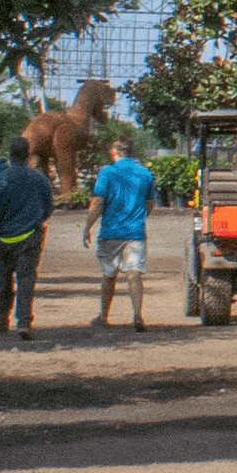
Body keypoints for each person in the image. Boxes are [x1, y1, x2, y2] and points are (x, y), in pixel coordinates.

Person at [0, 135, 53, 340]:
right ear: (28, 155)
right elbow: (48, 207)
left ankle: (0, 320)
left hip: (4, 240)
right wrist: (35, 220)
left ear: (9, 155)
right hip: (30, 237)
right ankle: (24, 323)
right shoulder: (38, 178)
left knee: (3, 279)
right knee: (26, 280)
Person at [82, 137, 155, 330]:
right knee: (134, 275)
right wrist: (138, 217)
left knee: (109, 275)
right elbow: (150, 204)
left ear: (114, 152)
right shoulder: (145, 173)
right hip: (135, 232)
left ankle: (104, 317)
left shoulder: (107, 173)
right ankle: (138, 316)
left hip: (111, 232)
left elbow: (97, 203)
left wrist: (87, 227)